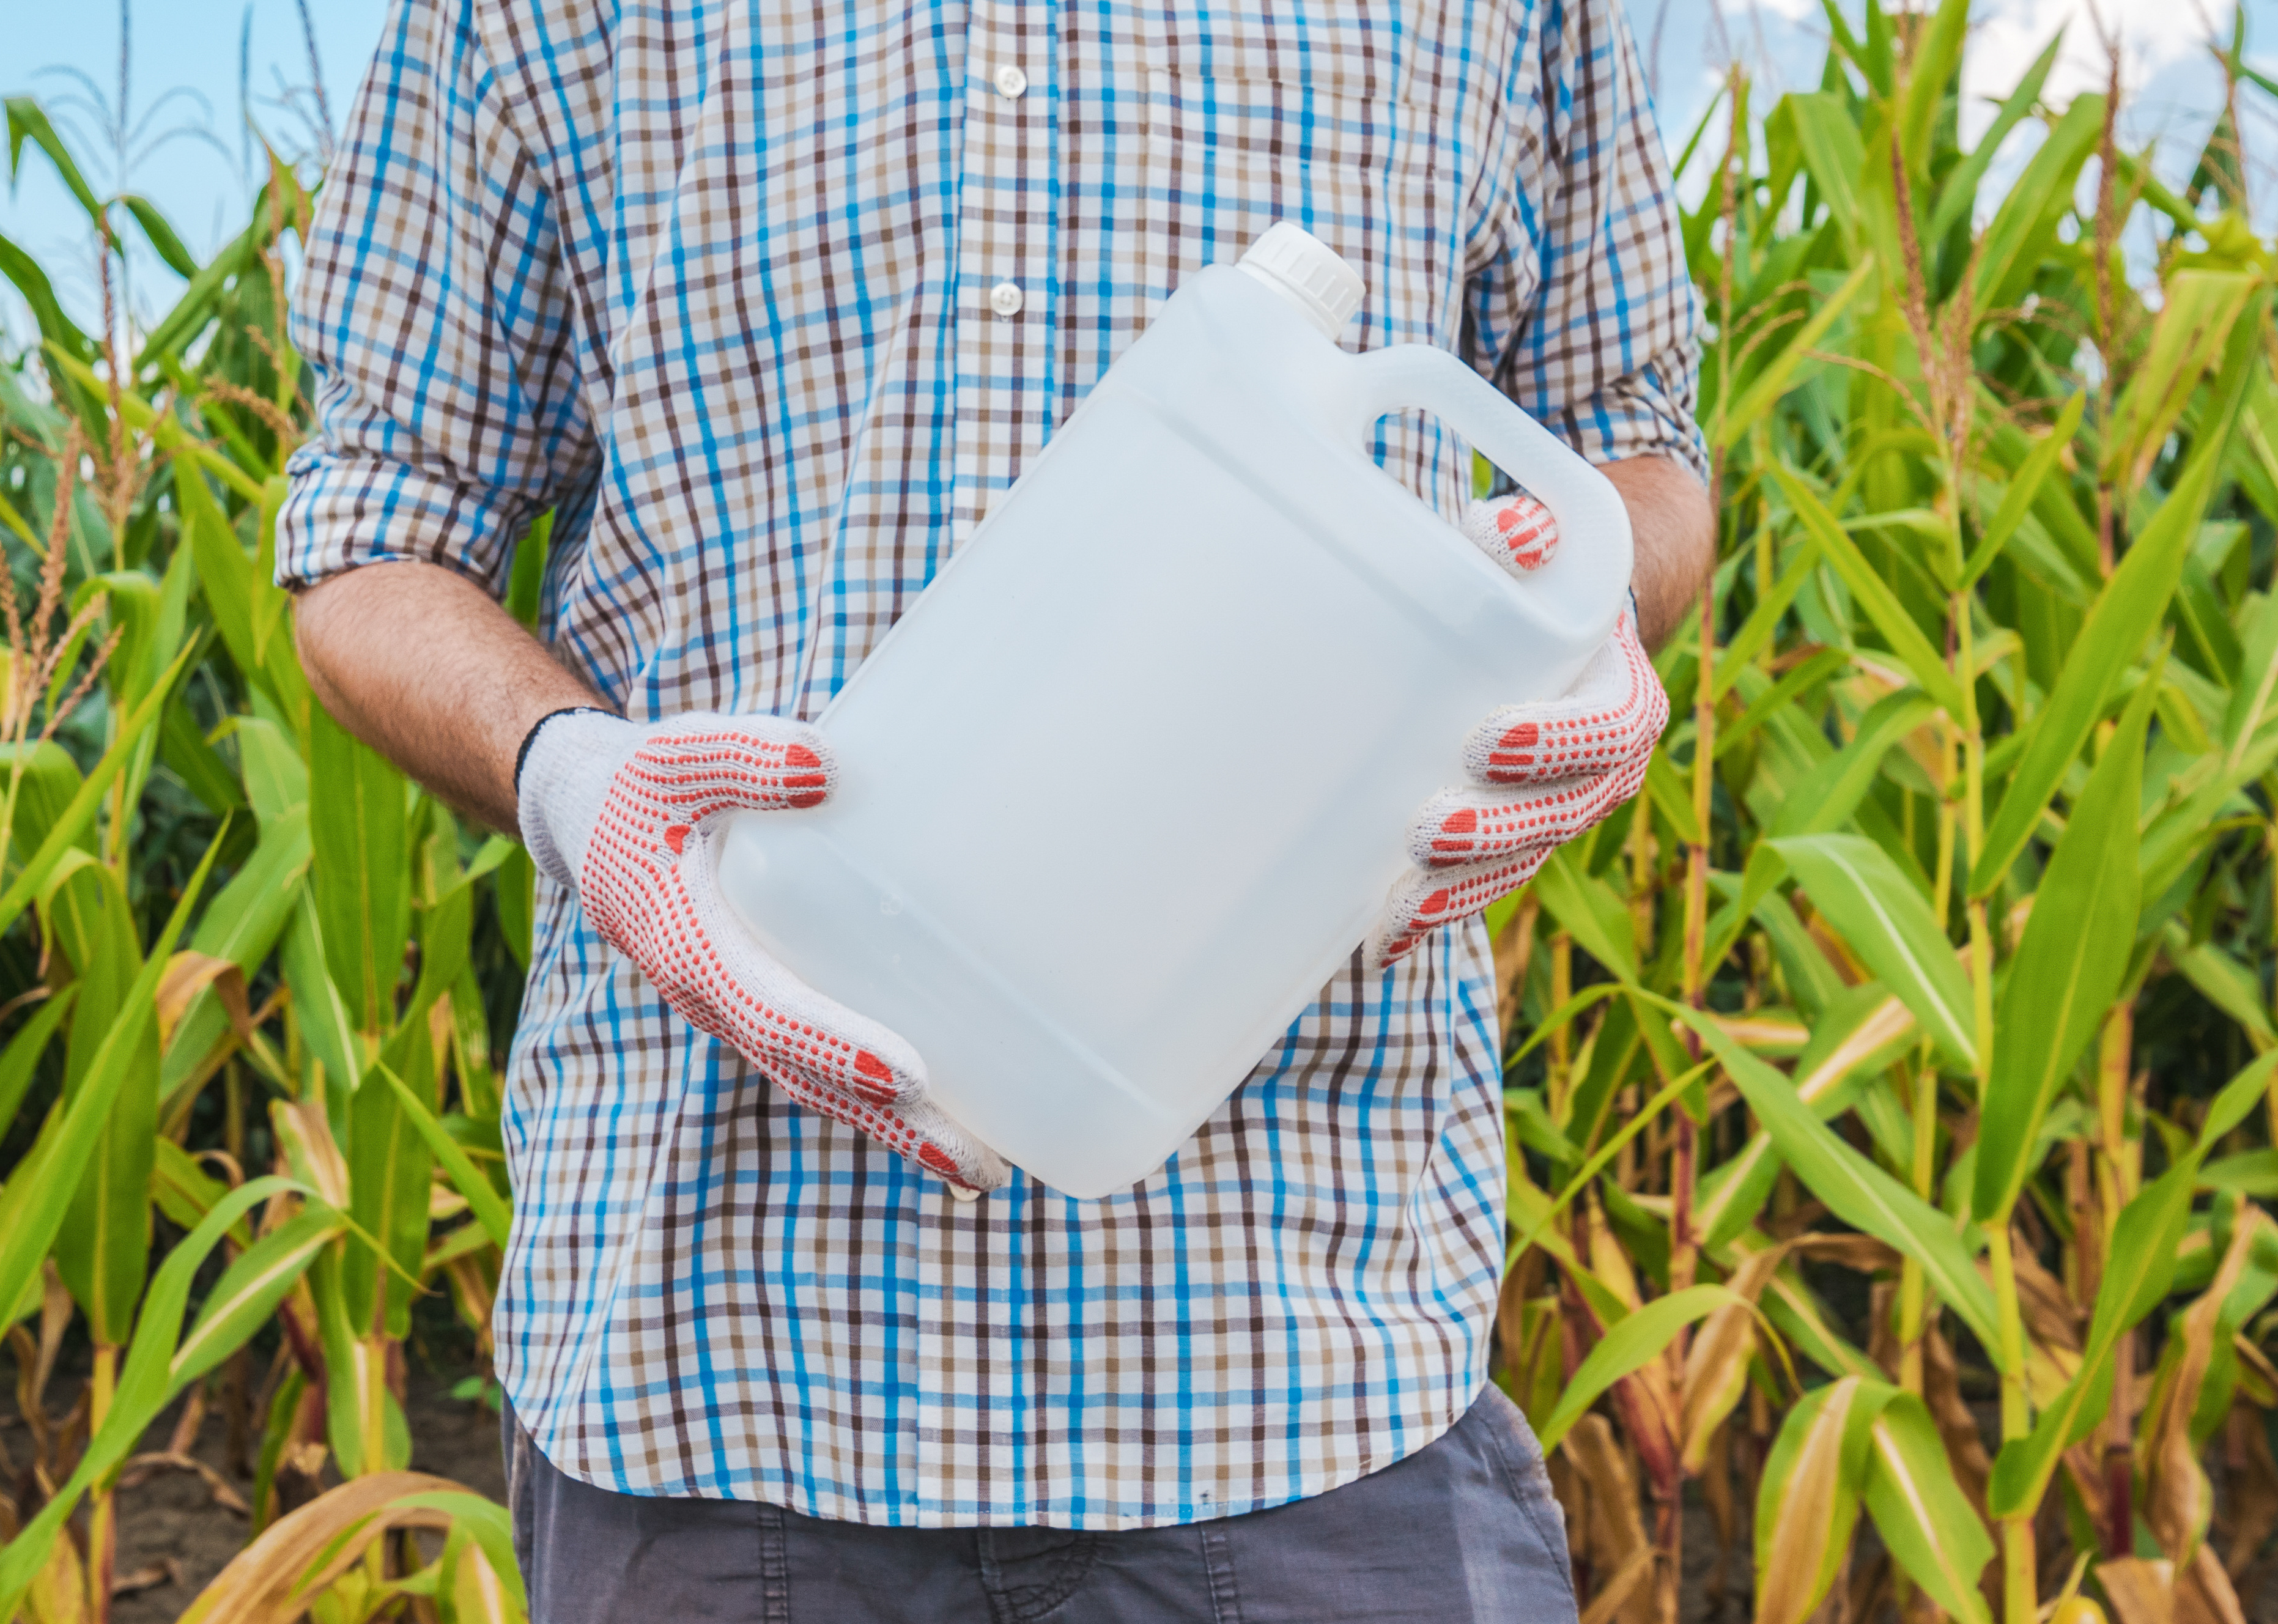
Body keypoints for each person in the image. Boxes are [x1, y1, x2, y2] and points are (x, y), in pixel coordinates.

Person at [272, 0, 1715, 1614]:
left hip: (1306, 1359)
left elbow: (1634, 459)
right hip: (718, 1355)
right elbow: (372, 533)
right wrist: (569, 773)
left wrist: (1596, 630)